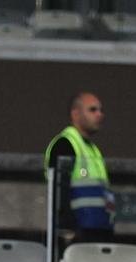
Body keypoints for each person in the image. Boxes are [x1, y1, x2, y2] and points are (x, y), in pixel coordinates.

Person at [45, 92, 114, 245]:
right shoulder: (65, 144)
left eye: (100, 110)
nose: (99, 115)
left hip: (98, 230)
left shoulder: (92, 150)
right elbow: (59, 191)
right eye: (92, 110)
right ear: (75, 114)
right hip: (77, 233)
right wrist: (68, 228)